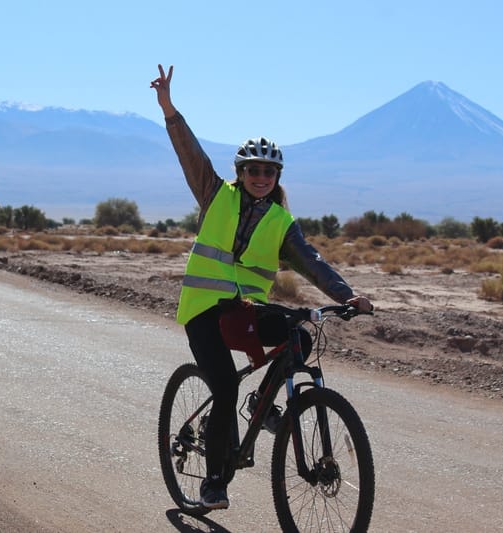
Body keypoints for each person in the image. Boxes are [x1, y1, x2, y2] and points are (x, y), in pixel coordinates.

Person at [150, 64, 373, 510]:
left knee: (301, 334)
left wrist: (346, 295)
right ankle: (214, 482)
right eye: (253, 170)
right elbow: (189, 155)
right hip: (203, 311)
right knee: (223, 388)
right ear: (241, 171)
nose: (260, 177)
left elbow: (312, 262)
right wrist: (170, 109)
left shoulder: (280, 222)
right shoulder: (217, 195)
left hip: (243, 311)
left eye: (268, 172)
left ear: (277, 177)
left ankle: (260, 404)